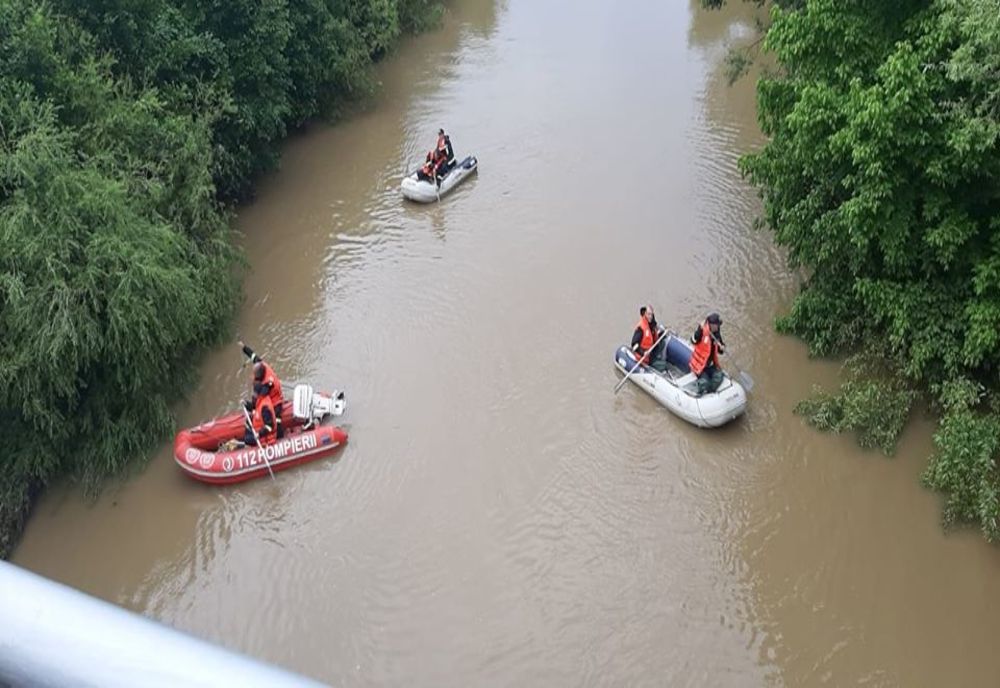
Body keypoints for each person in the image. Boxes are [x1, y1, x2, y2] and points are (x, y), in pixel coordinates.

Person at [238, 341, 284, 438]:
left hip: (275, 401)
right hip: (268, 397)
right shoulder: (260, 364)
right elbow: (253, 356)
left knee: (276, 421)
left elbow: (258, 401)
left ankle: (280, 439)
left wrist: (251, 407)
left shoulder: (267, 384)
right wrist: (244, 348)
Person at [689, 312, 725, 395]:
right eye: (717, 325)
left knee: (719, 376)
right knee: (704, 382)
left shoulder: (717, 334)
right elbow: (693, 340)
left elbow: (720, 351)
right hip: (700, 366)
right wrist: (699, 330)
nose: (718, 326)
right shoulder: (702, 331)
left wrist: (722, 347)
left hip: (710, 365)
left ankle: (710, 392)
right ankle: (700, 390)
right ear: (712, 325)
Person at [631, 305, 667, 373]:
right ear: (645, 314)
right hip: (644, 356)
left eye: (651, 314)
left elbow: (654, 335)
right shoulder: (641, 328)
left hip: (651, 350)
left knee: (663, 343)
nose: (650, 316)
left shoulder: (652, 324)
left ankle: (657, 359)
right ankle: (655, 364)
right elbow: (634, 345)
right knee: (663, 366)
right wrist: (643, 353)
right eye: (648, 314)